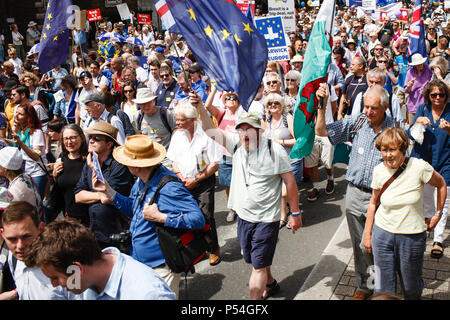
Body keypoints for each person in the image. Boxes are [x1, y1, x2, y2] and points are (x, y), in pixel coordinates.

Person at [196, 90, 302, 300]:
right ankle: (270, 284)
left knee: (257, 268)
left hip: (266, 219)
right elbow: (209, 129)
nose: (245, 133)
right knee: (256, 261)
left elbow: (289, 181)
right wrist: (200, 103)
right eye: (241, 129)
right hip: (244, 217)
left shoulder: (274, 151)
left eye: (249, 129)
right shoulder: (236, 144)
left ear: (259, 130)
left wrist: (295, 213)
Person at [314, 84, 405, 300]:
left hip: (382, 198)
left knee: (376, 246)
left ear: (384, 108)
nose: (368, 111)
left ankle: (383, 288)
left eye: (373, 108)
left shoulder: (394, 132)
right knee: (359, 246)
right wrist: (321, 106)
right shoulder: (358, 122)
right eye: (366, 106)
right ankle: (366, 287)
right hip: (354, 194)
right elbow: (321, 131)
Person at [92, 134, 205, 298]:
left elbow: (197, 219)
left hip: (162, 266)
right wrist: (108, 190)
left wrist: (161, 217)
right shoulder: (141, 180)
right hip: (143, 263)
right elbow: (134, 208)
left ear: (135, 166)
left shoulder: (169, 187)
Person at [363, 127, 446, 299]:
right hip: (382, 234)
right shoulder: (378, 170)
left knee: (411, 287)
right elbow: (373, 203)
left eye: (392, 149)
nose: (388, 155)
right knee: (382, 288)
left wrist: (438, 214)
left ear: (402, 148)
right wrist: (367, 234)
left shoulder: (419, 167)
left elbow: (441, 184)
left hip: (411, 237)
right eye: (384, 150)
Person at [23, 218, 176, 300]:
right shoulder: (83, 284)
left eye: (55, 277)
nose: (54, 285)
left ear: (76, 269)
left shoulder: (148, 294)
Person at [167, 101, 222, 265]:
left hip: (203, 182)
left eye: (180, 120)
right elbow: (173, 160)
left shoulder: (206, 134)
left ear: (191, 119)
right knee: (189, 217)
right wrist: (180, 176)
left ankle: (213, 248)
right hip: (183, 183)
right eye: (176, 119)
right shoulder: (177, 135)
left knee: (205, 216)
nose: (177, 123)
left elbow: (214, 163)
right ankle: (198, 249)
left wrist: (196, 179)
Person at [74, 121, 133, 249]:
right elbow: (78, 196)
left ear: (109, 144)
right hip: (95, 231)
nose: (91, 141)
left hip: (115, 230)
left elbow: (108, 198)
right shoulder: (91, 163)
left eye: (96, 138)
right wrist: (99, 196)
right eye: (90, 137)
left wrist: (100, 195)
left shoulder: (119, 165)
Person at [408, 79, 450, 260]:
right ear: (428, 96)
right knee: (426, 199)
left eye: (441, 95)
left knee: (444, 200)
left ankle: (438, 240)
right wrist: (418, 123)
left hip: (445, 161)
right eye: (434, 95)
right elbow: (410, 133)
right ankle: (426, 229)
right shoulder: (423, 109)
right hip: (423, 161)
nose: (438, 98)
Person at [0, 201, 75, 300]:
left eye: (26, 237)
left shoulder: (68, 264)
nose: (20, 246)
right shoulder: (13, 259)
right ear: (2, 234)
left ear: (41, 229)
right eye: (12, 239)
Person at [5, 103, 48, 199]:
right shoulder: (20, 130)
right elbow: (17, 144)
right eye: (16, 113)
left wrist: (20, 143)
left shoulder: (37, 133)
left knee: (36, 201)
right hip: (24, 172)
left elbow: (36, 155)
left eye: (20, 114)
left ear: (29, 117)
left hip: (36, 173)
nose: (16, 115)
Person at [304, 82, 338, 202]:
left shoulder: (328, 87)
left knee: (328, 160)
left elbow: (334, 106)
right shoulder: (305, 87)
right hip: (310, 131)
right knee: (312, 162)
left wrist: (324, 122)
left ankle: (330, 179)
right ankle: (316, 187)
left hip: (326, 129)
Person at [51, 124, 89, 226]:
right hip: (68, 215)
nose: (69, 142)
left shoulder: (89, 159)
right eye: (66, 139)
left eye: (73, 137)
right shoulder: (62, 158)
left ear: (81, 138)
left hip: (88, 216)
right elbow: (60, 186)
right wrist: (54, 176)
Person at [132, 88, 176, 168]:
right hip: (148, 162)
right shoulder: (138, 117)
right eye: (142, 104)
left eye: (148, 102)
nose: (145, 106)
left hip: (167, 162)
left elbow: (176, 134)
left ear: (153, 101)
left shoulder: (165, 114)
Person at [404, 53, 433, 125]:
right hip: (413, 104)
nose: (420, 65)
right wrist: (409, 86)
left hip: (426, 104)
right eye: (418, 64)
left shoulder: (429, 70)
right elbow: (406, 90)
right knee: (413, 128)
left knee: (426, 128)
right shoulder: (410, 72)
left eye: (421, 63)